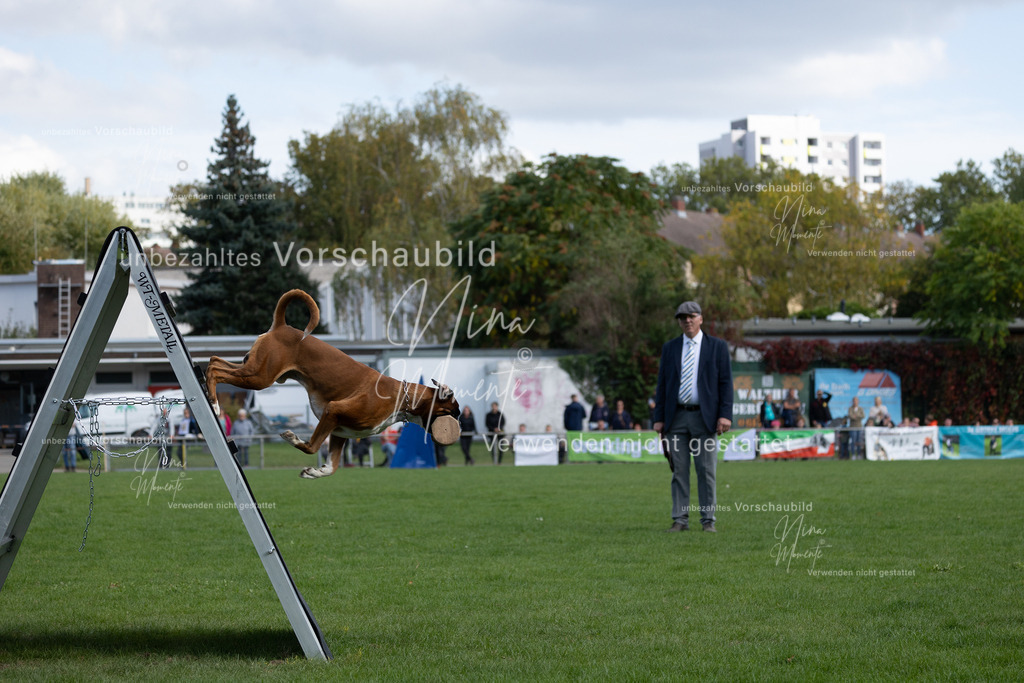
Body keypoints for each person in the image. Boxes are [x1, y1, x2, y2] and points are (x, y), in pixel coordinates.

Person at [653, 301, 732, 534]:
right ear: (679, 321)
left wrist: (725, 415)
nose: (687, 320)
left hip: (704, 418)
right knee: (679, 471)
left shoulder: (717, 347)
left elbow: (726, 383)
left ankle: (708, 520)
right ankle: (680, 519)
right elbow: (662, 385)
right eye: (683, 317)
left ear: (701, 319)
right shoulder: (670, 348)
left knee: (706, 471)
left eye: (692, 316)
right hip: (675, 418)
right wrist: (659, 417)